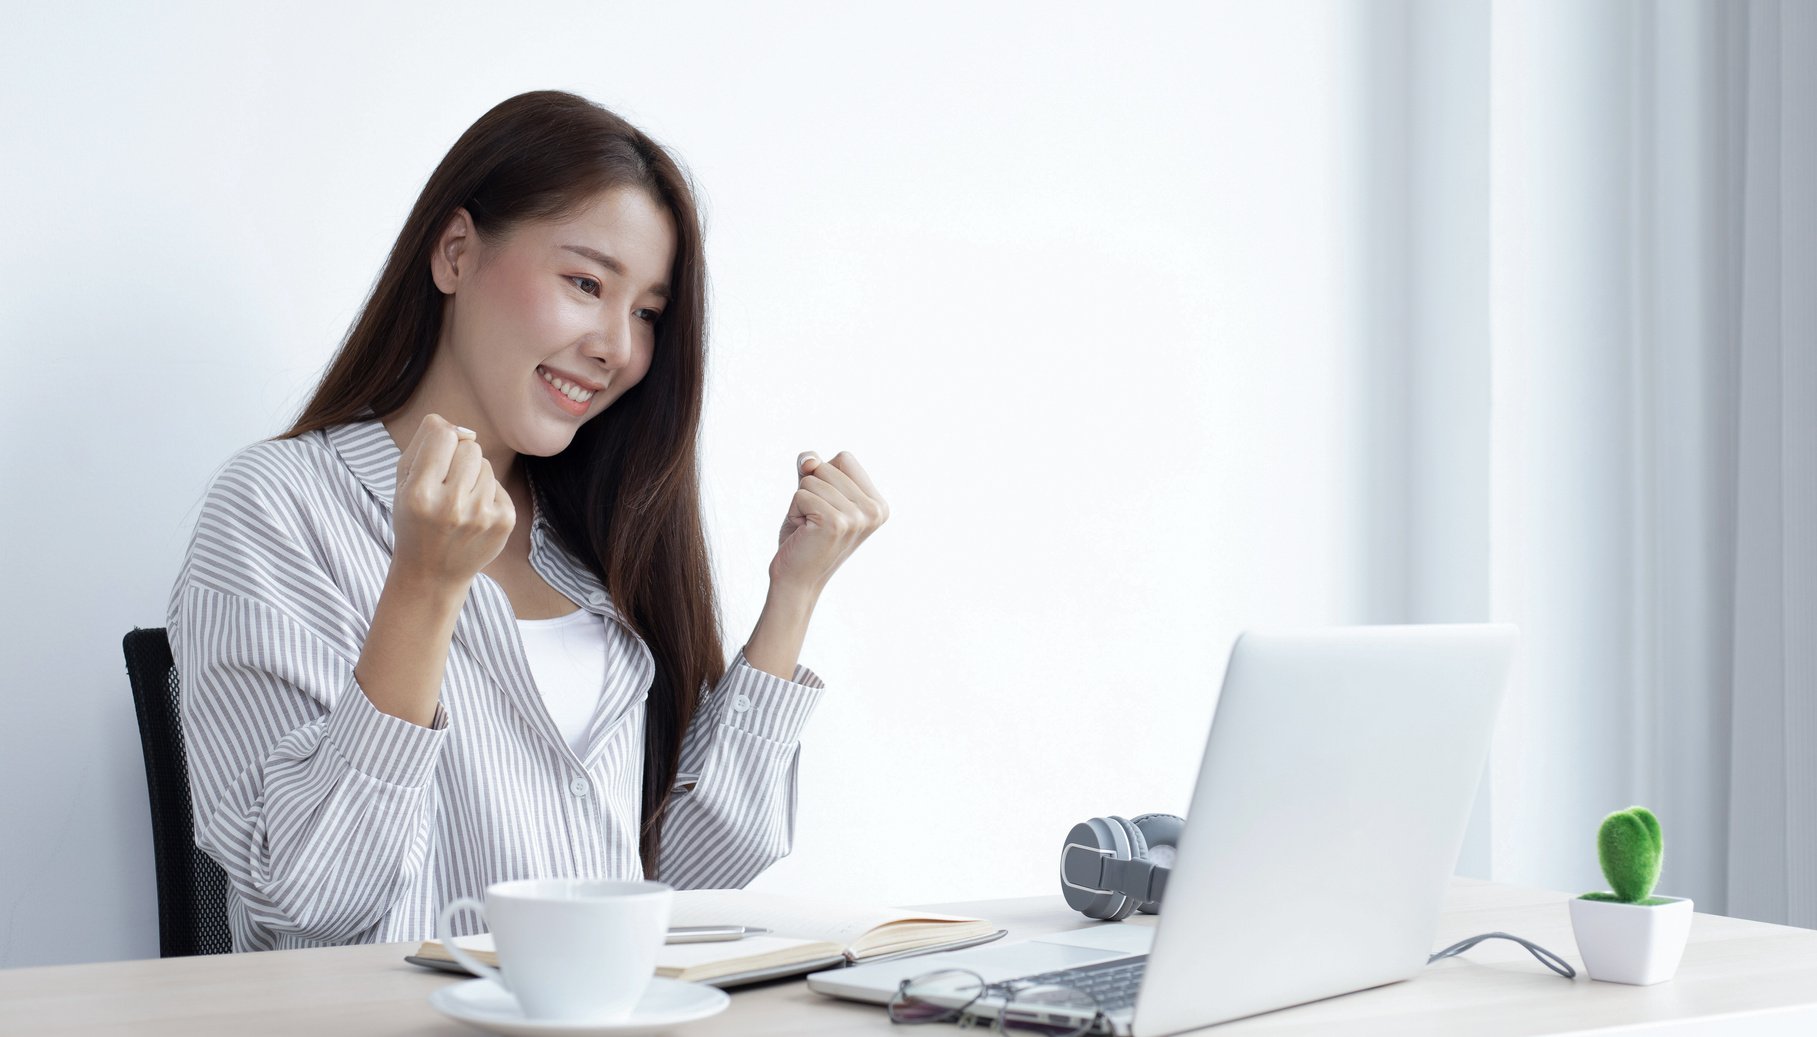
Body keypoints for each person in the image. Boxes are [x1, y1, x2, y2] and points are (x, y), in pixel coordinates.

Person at [165, 90, 888, 952]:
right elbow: (310, 897)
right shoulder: (279, 507)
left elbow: (680, 883)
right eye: (586, 283)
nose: (617, 347)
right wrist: (425, 585)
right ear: (456, 252)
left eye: (648, 314)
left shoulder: (593, 545)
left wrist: (792, 595)